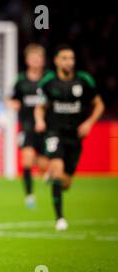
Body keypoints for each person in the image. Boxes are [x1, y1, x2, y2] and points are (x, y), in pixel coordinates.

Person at [34, 45, 104, 231]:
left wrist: (89, 123)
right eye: (64, 58)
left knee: (65, 183)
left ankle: (54, 178)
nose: (69, 62)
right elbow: (40, 106)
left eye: (71, 58)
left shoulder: (84, 80)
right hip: (54, 132)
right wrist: (40, 120)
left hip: (75, 136)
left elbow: (99, 105)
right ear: (57, 60)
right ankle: (60, 218)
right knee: (57, 169)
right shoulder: (49, 81)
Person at [8, 44, 49, 209]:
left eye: (38, 58)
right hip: (27, 126)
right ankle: (29, 196)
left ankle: (47, 173)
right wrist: (13, 104)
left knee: (44, 164)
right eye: (33, 58)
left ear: (43, 60)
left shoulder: (48, 79)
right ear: (27, 61)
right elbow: (11, 98)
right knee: (26, 160)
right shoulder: (21, 81)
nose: (36, 61)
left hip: (47, 127)